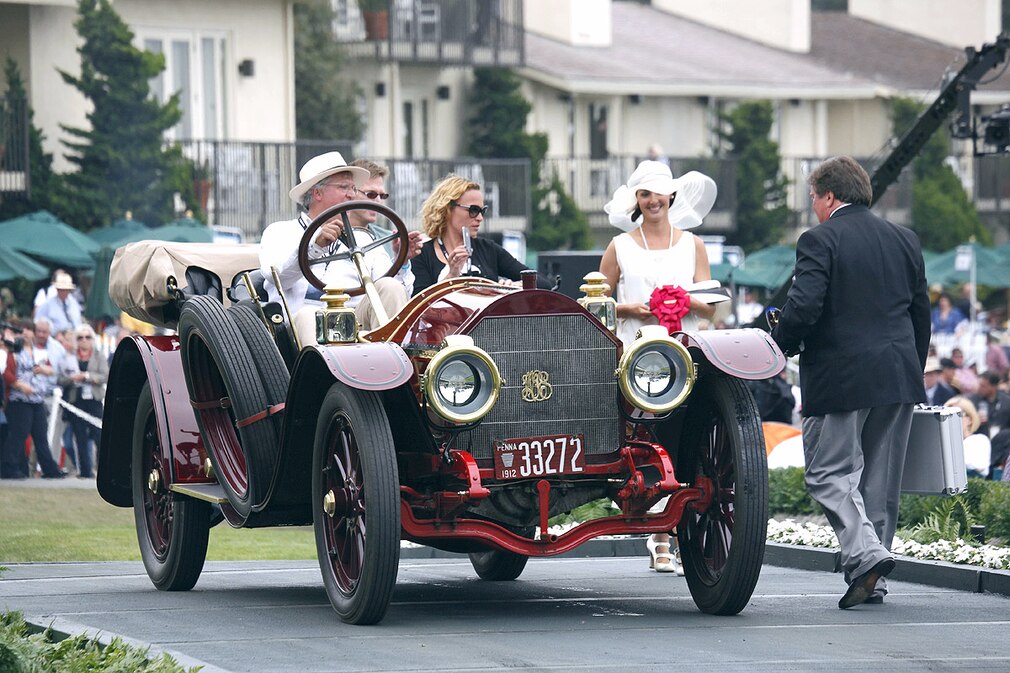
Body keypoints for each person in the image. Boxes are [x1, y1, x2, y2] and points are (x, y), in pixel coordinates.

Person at [771, 156, 930, 609]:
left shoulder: (819, 239)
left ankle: (865, 555)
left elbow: (803, 308)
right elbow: (921, 316)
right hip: (898, 374)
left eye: (813, 199)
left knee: (827, 474)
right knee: (879, 486)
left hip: (841, 377)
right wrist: (910, 371)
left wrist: (778, 345)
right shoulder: (905, 239)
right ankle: (872, 580)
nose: (813, 208)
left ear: (829, 196)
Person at [599, 160, 718, 575]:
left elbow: (713, 305)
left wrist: (680, 300)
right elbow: (595, 303)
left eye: (658, 194)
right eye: (644, 194)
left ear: (671, 196)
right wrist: (633, 307)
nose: (652, 201)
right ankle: (660, 535)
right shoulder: (620, 245)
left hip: (681, 355)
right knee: (649, 440)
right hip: (636, 359)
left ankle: (678, 532)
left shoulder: (693, 245)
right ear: (637, 200)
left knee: (684, 438)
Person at [259, 152, 416, 342]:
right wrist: (315, 247)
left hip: (356, 326)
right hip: (299, 329)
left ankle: (394, 365)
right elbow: (277, 278)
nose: (352, 194)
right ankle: (321, 371)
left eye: (353, 188)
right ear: (317, 193)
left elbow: (397, 299)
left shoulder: (364, 240)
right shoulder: (280, 231)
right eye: (343, 187)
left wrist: (402, 261)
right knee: (310, 315)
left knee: (389, 286)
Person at [412, 175, 552, 293]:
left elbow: (543, 282)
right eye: (473, 210)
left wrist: (516, 286)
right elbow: (418, 306)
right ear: (448, 209)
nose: (479, 218)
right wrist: (451, 276)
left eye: (482, 211)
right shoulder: (421, 254)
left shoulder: (488, 249)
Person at [1, 320, 65, 479]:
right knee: (19, 434)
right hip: (20, 399)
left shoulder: (40, 351)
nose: (26, 333)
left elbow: (52, 370)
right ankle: (9, 467)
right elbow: (6, 372)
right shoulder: (14, 350)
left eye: (30, 330)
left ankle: (49, 468)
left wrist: (44, 369)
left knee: (40, 435)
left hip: (37, 398)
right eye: (24, 330)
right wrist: (19, 385)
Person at [57, 323, 108, 479]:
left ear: (92, 339)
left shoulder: (98, 355)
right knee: (79, 437)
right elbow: (59, 378)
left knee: (100, 436)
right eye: (80, 337)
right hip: (76, 400)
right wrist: (72, 378)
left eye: (87, 337)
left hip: (94, 399)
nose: (84, 340)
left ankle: (103, 471)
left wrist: (87, 377)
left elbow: (104, 375)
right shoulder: (69, 357)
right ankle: (85, 472)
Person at [945, 396, 991, 479]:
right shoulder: (944, 443)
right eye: (947, 416)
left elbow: (979, 467)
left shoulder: (979, 440)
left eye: (956, 415)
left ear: (969, 419)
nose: (951, 420)